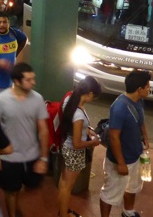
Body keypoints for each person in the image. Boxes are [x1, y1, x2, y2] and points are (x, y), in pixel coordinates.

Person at [0, 62, 49, 217]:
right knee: (11, 192)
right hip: (8, 157)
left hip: (32, 156)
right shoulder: (1, 100)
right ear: (17, 81)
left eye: (33, 79)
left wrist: (43, 158)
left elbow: (43, 130)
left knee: (33, 188)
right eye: (29, 80)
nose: (33, 82)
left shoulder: (37, 99)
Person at [100, 70, 151, 217]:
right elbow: (114, 137)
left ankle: (128, 212)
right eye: (147, 86)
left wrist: (145, 138)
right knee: (110, 193)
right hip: (120, 159)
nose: (149, 89)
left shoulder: (139, 101)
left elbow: (141, 121)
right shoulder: (119, 108)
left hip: (136, 154)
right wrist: (121, 163)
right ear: (139, 89)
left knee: (133, 187)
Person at [59, 76, 102, 217]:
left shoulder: (69, 100)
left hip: (66, 146)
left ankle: (63, 210)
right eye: (93, 97)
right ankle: (64, 214)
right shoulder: (78, 115)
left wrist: (87, 130)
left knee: (63, 182)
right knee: (68, 186)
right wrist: (93, 142)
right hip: (74, 152)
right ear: (89, 94)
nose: (92, 99)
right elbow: (77, 144)